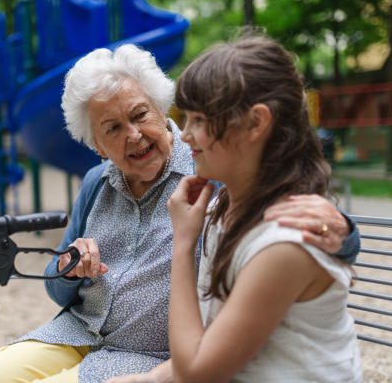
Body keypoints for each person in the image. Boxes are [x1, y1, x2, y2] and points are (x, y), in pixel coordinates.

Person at [0, 43, 359, 383]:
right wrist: (70, 265)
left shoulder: (210, 169)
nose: (133, 135)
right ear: (97, 144)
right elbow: (56, 286)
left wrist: (343, 230)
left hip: (153, 352)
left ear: (159, 106)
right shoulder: (96, 182)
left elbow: (295, 222)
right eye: (113, 129)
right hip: (79, 331)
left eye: (139, 116)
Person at [108, 36, 362, 383]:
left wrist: (182, 244)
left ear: (256, 123)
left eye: (199, 120)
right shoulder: (221, 210)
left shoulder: (286, 238)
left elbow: (198, 372)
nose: (185, 135)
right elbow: (213, 344)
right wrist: (144, 380)